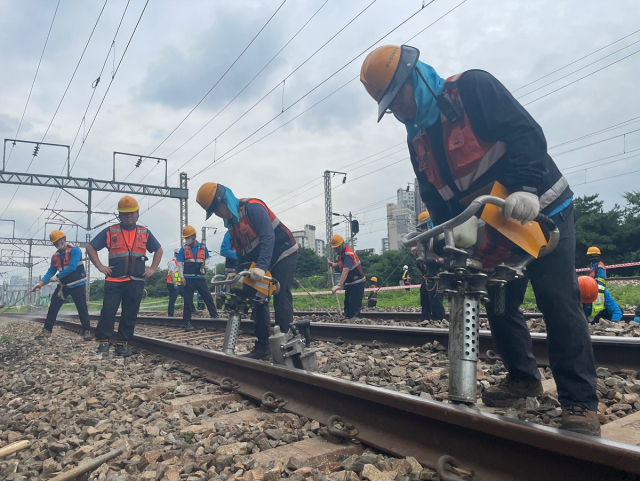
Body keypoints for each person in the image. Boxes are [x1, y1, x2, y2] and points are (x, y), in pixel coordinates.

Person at [360, 45, 600, 435]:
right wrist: (446, 241)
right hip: (496, 223)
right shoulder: (416, 137)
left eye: (398, 98)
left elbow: (526, 133)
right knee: (500, 303)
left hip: (542, 208)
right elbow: (435, 194)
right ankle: (523, 379)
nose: (398, 111)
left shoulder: (471, 89)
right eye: (390, 107)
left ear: (415, 77)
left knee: (558, 300)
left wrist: (524, 189)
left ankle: (579, 401)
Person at [196, 182, 298, 359]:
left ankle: (286, 345)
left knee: (280, 295)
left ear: (225, 200)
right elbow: (241, 252)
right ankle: (263, 346)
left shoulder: (253, 207)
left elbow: (268, 236)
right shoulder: (232, 224)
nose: (218, 214)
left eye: (216, 208)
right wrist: (238, 274)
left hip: (283, 252)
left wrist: (261, 267)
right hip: (261, 261)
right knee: (257, 297)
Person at [86, 195, 163, 357]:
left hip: (135, 280)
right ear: (119, 215)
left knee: (130, 313)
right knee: (108, 311)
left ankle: (122, 344)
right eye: (125, 213)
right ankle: (104, 343)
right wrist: (100, 266)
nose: (129, 216)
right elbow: (91, 247)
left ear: (137, 214)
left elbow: (158, 250)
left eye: (132, 213)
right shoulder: (111, 231)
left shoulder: (145, 232)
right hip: (114, 280)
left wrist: (153, 268)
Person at [33, 230, 91, 340]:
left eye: (57, 242)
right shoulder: (55, 256)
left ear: (64, 239)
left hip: (78, 285)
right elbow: (51, 271)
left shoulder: (75, 250)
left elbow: (73, 266)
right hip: (63, 286)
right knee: (53, 307)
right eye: (54, 243)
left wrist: (58, 276)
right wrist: (40, 284)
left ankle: (87, 331)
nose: (56, 245)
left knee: (82, 308)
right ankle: (47, 330)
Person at [177, 225, 218, 331]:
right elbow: (180, 264)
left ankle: (215, 317)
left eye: (187, 237)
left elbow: (208, 258)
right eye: (185, 238)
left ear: (193, 237)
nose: (186, 240)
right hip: (188, 278)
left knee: (207, 297)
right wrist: (182, 277)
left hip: (200, 278)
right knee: (188, 301)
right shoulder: (184, 249)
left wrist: (205, 263)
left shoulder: (203, 248)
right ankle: (187, 323)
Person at [414, 211, 446, 323]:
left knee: (435, 300)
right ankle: (425, 321)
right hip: (428, 273)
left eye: (424, 226)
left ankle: (442, 321)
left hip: (439, 271)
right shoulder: (426, 240)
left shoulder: (441, 236)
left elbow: (451, 254)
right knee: (425, 299)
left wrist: (442, 260)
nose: (423, 230)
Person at [328, 235, 366, 319]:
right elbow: (342, 264)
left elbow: (345, 270)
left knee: (354, 307)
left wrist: (339, 285)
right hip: (350, 283)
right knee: (347, 306)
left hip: (357, 283)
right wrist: (334, 265)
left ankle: (356, 324)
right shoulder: (341, 254)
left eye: (337, 247)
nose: (336, 249)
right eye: (335, 247)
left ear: (342, 244)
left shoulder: (348, 254)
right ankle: (349, 321)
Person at [586, 247, 622, 322]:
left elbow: (601, 279)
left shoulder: (599, 266)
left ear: (596, 256)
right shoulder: (593, 266)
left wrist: (597, 287)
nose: (590, 258)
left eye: (592, 256)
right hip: (590, 289)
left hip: (595, 289)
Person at [167, 247, 182, 317]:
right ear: (176, 254)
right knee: (172, 299)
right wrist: (174, 283)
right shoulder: (173, 262)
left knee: (187, 295)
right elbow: (171, 273)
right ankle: (170, 314)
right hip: (172, 284)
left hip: (179, 284)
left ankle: (193, 309)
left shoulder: (178, 262)